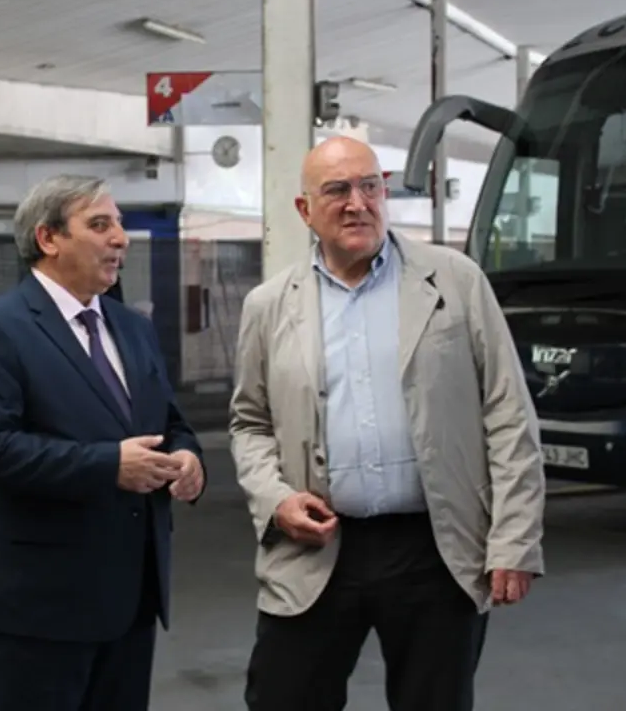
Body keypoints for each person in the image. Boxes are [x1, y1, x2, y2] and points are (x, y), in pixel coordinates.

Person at [228, 137, 546, 711]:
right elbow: (250, 422)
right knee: (283, 698)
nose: (358, 202)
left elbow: (508, 412)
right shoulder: (269, 306)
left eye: (370, 186)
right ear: (305, 211)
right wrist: (275, 499)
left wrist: (514, 539)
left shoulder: (456, 281)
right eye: (337, 190)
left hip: (435, 548)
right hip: (316, 545)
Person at [0, 173, 206, 711]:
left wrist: (187, 456)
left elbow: (169, 420)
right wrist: (107, 465)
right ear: (49, 239)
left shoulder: (130, 327)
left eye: (119, 225)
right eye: (100, 224)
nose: (121, 238)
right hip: (40, 606)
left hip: (132, 597)